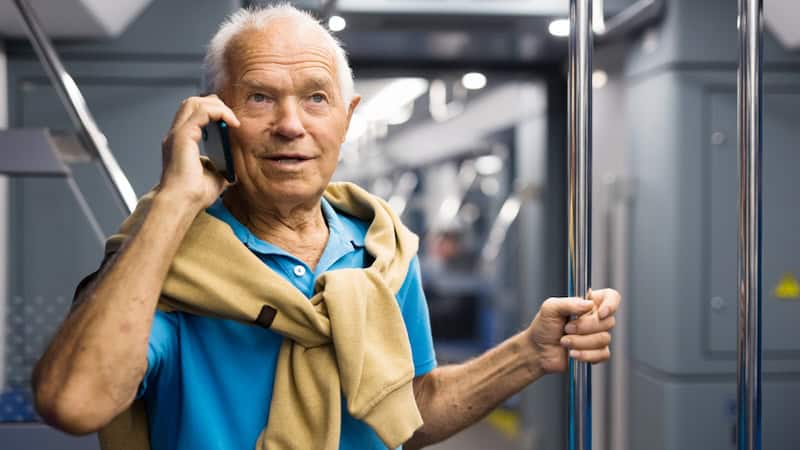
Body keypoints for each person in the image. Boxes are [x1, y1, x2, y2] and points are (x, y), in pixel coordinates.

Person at [30, 5, 621, 450]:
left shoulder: (379, 248)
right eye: (260, 98)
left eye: (316, 98)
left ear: (346, 117)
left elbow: (405, 409)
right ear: (214, 119)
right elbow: (75, 403)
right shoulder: (169, 259)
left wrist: (530, 352)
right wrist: (170, 206)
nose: (291, 125)